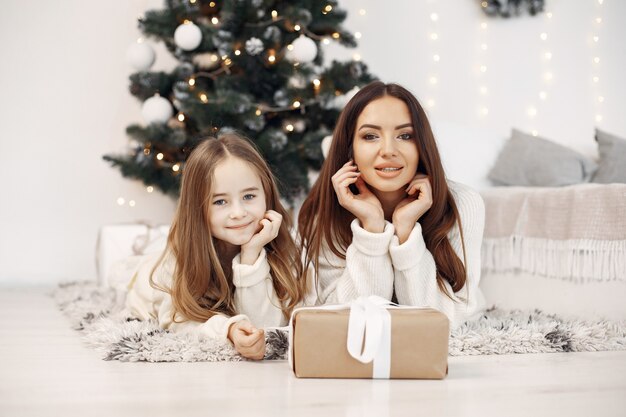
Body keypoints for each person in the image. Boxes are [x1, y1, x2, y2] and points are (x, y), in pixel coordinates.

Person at [298, 81, 486, 328]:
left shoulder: (464, 204)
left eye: (405, 136)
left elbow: (449, 320)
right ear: (349, 148)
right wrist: (372, 230)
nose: (388, 150)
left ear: (422, 146)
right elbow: (341, 320)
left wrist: (406, 232)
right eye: (370, 136)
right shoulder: (322, 212)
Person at [125, 133, 308, 360]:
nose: (239, 213)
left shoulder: (282, 250)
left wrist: (251, 256)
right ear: (197, 209)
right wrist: (228, 329)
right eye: (220, 201)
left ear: (267, 195)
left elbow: (266, 329)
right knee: (125, 277)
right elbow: (180, 324)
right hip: (147, 289)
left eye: (249, 196)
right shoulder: (175, 263)